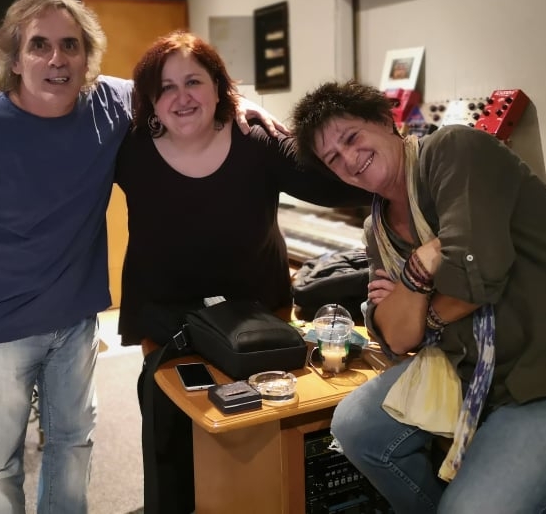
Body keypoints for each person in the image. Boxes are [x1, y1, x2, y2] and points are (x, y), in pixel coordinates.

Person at [0, 0, 286, 514]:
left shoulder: (110, 104)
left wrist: (242, 103)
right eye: (39, 45)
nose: (57, 59)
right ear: (14, 58)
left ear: (86, 55)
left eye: (70, 45)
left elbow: (180, 92)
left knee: (72, 447)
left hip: (75, 323)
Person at [289, 80, 546, 514]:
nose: (349, 159)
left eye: (351, 137)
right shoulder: (376, 228)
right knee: (357, 427)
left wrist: (415, 302)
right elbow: (398, 338)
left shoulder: (453, 151)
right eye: (333, 158)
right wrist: (421, 269)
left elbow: (477, 281)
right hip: (479, 370)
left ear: (385, 121)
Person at [114, 32, 371, 513]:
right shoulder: (132, 148)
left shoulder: (257, 142)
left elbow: (334, 184)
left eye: (194, 81)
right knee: (172, 429)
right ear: (151, 100)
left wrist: (407, 165)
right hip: (167, 318)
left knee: (255, 428)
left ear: (218, 86)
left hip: (257, 315)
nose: (181, 96)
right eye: (166, 87)